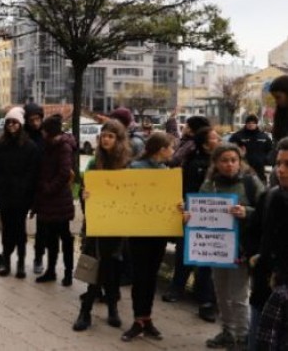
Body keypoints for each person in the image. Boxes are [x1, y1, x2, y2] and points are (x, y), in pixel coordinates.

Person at [198, 144, 263, 349]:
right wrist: (189, 216)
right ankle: (227, 331)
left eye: (233, 160)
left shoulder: (251, 183)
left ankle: (243, 338)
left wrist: (247, 212)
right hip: (216, 248)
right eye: (224, 160)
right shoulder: (209, 185)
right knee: (221, 293)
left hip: (241, 249)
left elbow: (266, 210)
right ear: (216, 164)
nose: (229, 165)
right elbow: (199, 212)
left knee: (239, 295)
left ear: (240, 161)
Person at [73, 120, 131, 332]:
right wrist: (84, 195)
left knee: (113, 266)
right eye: (103, 136)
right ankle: (85, 310)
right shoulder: (93, 163)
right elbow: (83, 191)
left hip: (117, 224)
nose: (106, 139)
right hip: (97, 223)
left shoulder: (127, 165)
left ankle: (112, 307)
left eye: (110, 136)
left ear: (118, 140)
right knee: (96, 265)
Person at [121, 132, 178, 341]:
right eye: (171, 147)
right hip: (139, 232)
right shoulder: (135, 169)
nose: (173, 151)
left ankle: (147, 318)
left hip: (158, 232)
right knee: (140, 276)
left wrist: (177, 205)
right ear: (161, 149)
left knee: (151, 276)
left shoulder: (166, 171)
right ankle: (138, 319)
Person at [164, 125, 221, 322]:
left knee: (207, 257)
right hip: (192, 213)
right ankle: (176, 288)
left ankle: (206, 300)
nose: (219, 139)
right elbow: (185, 187)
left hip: (215, 217)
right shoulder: (193, 162)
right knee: (184, 251)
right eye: (215, 137)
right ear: (205, 143)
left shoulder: (223, 160)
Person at [0, 107, 38, 279]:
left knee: (20, 231)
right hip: (4, 196)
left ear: (21, 124)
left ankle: (21, 264)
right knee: (7, 231)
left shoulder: (30, 147)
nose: (11, 125)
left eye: (15, 122)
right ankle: (7, 262)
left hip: (21, 197)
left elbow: (33, 172)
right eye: (9, 122)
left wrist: (25, 191)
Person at [249, 138, 288, 351]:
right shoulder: (270, 196)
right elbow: (253, 232)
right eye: (278, 163)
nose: (280, 170)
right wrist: (256, 256)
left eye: (287, 164)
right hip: (265, 290)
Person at [34, 115, 76, 286]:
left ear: (49, 132)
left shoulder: (63, 147)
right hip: (48, 199)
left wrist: (49, 188)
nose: (42, 134)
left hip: (59, 199)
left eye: (44, 131)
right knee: (51, 238)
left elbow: (65, 173)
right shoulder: (48, 146)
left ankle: (67, 273)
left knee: (64, 237)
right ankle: (51, 270)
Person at [229, 114, 273, 184]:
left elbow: (271, 150)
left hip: (260, 171)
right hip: (243, 169)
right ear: (246, 124)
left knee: (261, 191)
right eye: (249, 123)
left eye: (253, 123)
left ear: (256, 124)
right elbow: (229, 148)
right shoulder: (238, 136)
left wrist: (266, 160)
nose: (251, 125)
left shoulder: (264, 137)